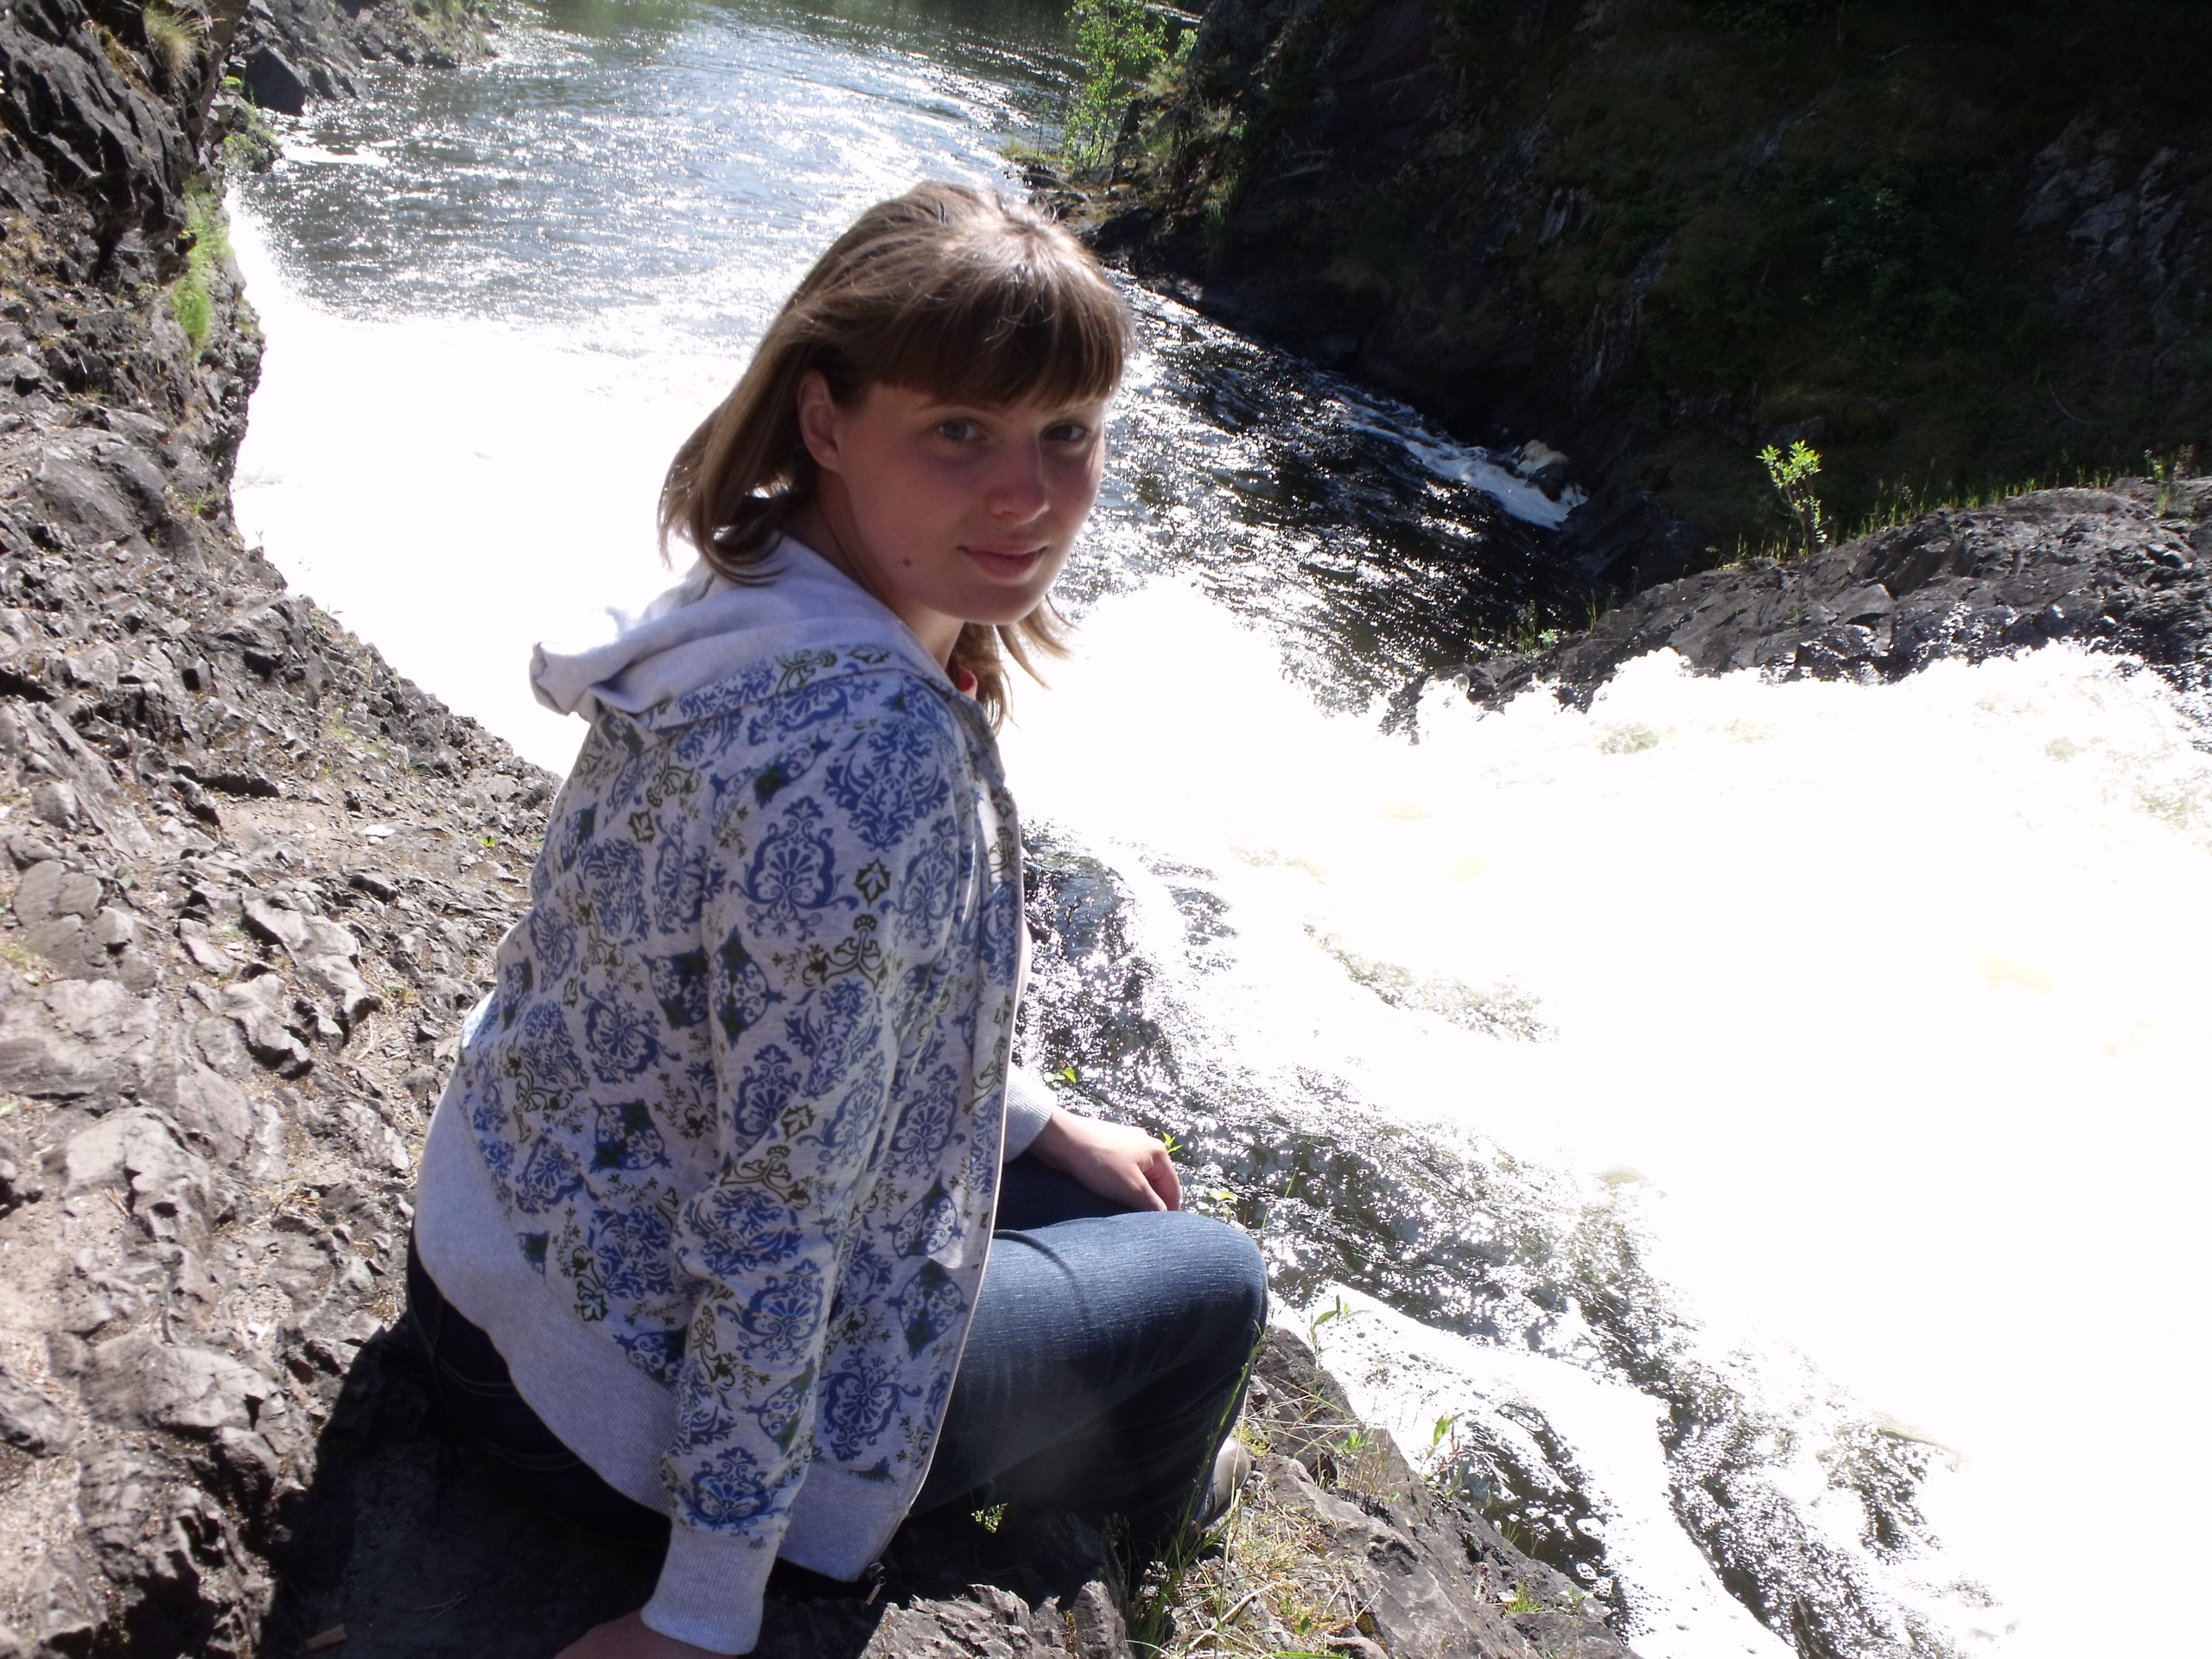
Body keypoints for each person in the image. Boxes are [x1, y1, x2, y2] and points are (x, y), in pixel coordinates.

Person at [404, 181, 1270, 1659]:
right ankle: (1144, 1517)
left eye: (1067, 433)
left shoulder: (742, 590)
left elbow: (772, 990)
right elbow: (777, 1221)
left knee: (1099, 1197)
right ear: (825, 418)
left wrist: (1029, 1122)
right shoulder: (882, 761)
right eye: (961, 432)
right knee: (1213, 1284)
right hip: (600, 1416)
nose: (1030, 494)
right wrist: (705, 1612)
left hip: (488, 1271)